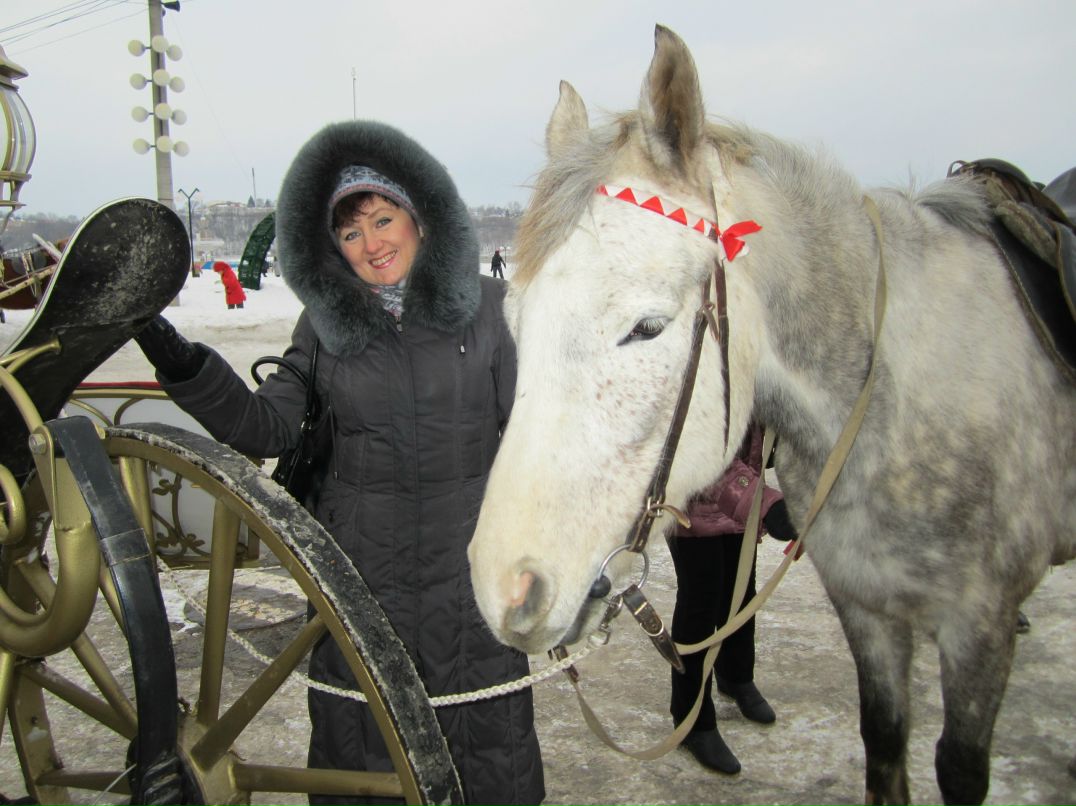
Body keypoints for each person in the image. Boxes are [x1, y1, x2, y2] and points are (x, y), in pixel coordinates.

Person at [133, 120, 544, 806]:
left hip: (470, 573)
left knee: (484, 745)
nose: (372, 244)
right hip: (359, 580)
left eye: (384, 220)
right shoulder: (323, 326)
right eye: (352, 233)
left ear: (419, 218)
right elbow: (263, 425)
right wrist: (179, 359)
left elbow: (534, 441)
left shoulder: (492, 311)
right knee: (365, 751)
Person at [668, 423, 797, 775]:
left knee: (740, 594)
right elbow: (692, 447)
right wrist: (763, 502)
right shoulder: (693, 366)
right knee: (700, 604)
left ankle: (735, 675)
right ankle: (691, 719)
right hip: (693, 505)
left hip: (743, 499)